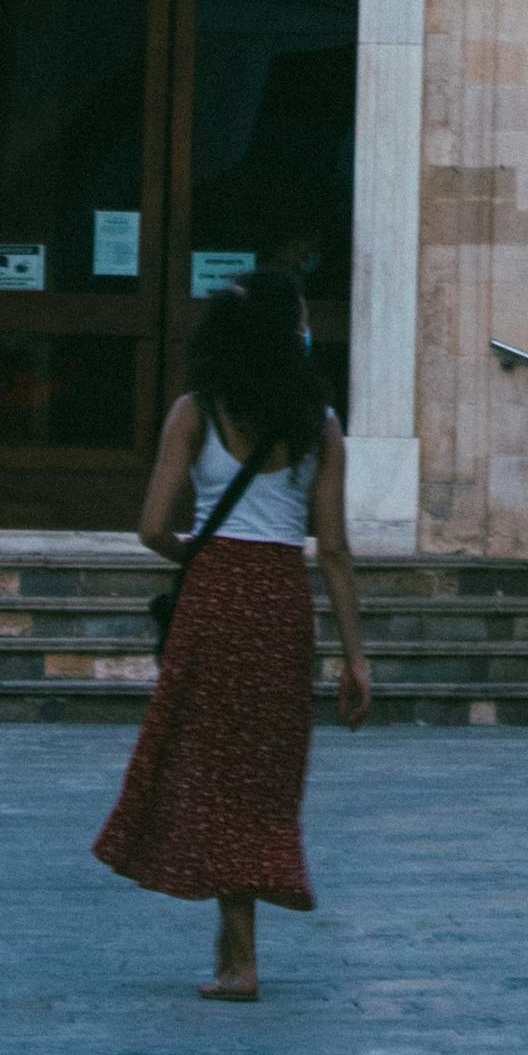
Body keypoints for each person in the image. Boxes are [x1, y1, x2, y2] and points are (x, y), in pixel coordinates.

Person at [92, 275, 376, 1001]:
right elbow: (335, 549)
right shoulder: (321, 424)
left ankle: (239, 958)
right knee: (263, 777)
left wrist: (208, 557)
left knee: (213, 770)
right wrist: (356, 657)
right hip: (282, 604)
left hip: (215, 599)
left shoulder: (194, 413)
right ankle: (235, 948)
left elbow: (153, 527)